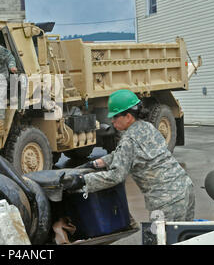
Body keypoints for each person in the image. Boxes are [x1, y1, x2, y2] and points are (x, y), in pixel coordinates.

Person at [74, 89, 195, 221]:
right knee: (185, 239)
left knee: (160, 240)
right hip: (185, 189)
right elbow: (125, 154)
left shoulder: (129, 140)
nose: (112, 121)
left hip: (166, 202)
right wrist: (98, 162)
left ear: (128, 117)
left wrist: (83, 180)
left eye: (115, 116)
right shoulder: (147, 127)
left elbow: (115, 176)